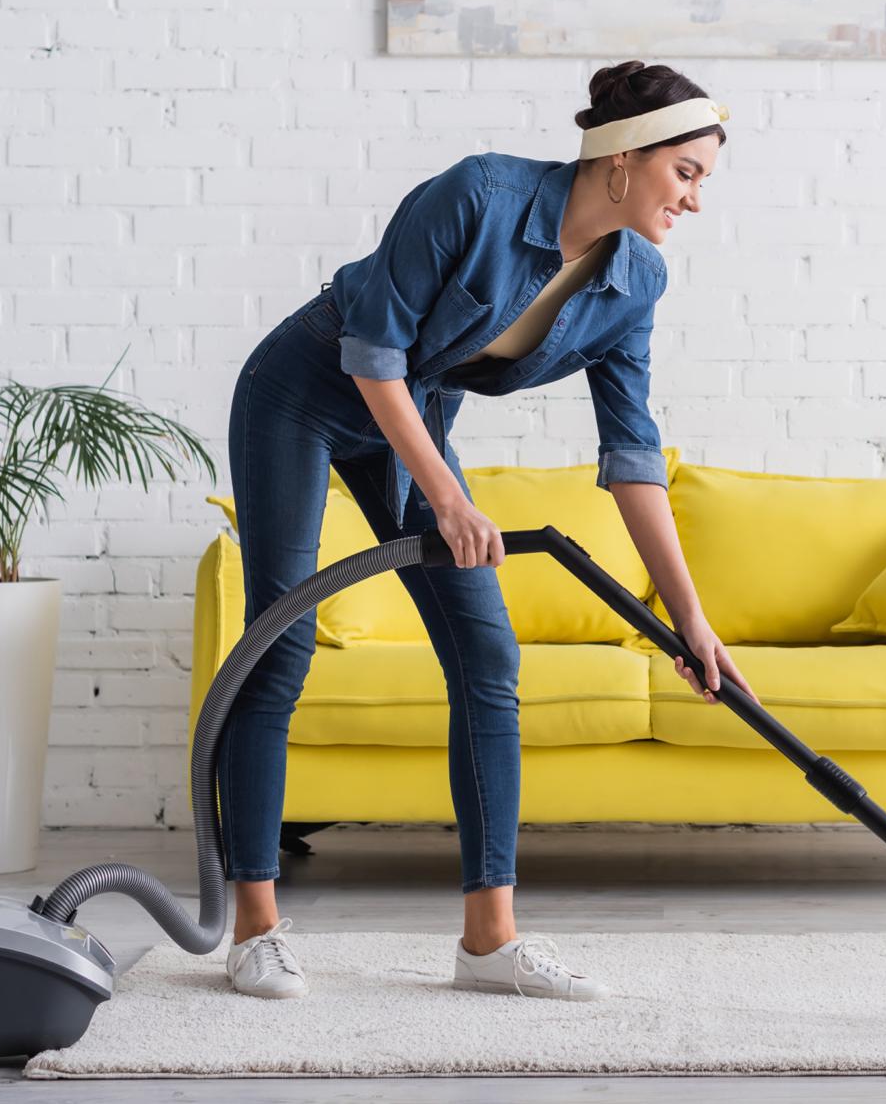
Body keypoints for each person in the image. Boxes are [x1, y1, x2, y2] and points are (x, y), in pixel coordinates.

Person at [219, 60, 758, 1001]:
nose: (697, 201)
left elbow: (632, 454)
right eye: (687, 173)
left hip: (411, 414)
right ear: (624, 159)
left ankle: (488, 943)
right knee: (282, 642)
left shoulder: (636, 281)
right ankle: (254, 927)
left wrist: (691, 622)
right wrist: (450, 499)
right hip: (303, 393)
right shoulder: (478, 194)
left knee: (486, 654)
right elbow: (374, 349)